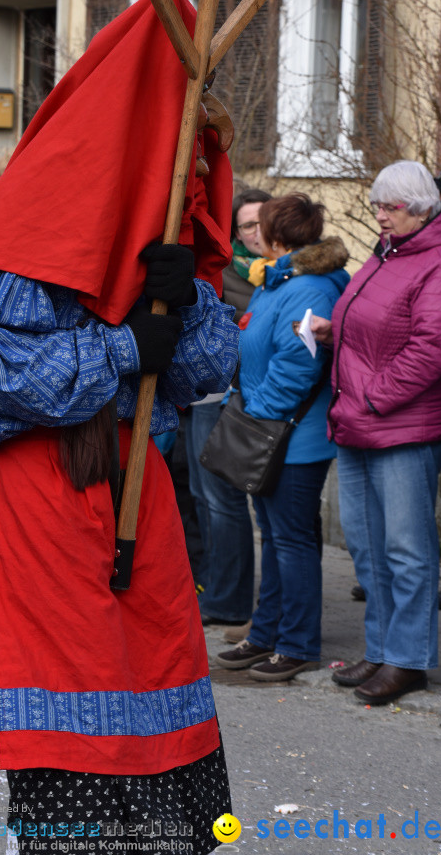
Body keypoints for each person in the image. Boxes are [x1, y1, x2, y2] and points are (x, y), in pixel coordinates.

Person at [0, 0, 239, 852]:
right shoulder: (15, 236)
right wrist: (123, 350)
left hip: (142, 498)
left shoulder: (159, 231)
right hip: (46, 499)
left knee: (165, 680)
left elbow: (209, 373)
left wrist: (190, 306)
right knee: (77, 711)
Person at [311, 161, 441, 705]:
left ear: (419, 208)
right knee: (367, 548)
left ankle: (408, 660)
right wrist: (331, 330)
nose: (379, 216)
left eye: (389, 208)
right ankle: (381, 648)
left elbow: (432, 347)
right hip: (357, 423)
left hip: (401, 428)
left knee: (407, 549)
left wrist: (372, 396)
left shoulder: (436, 261)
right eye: (377, 207)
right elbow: (371, 327)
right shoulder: (386, 253)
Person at [217, 193, 349, 682]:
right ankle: (266, 632)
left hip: (292, 435)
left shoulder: (309, 287)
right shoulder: (281, 278)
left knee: (291, 540)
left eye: (260, 227)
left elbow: (297, 365)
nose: (251, 235)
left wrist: (257, 417)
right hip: (272, 428)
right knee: (273, 536)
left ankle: (297, 644)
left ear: (277, 236)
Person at [185, 187, 271, 630]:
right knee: (206, 497)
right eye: (247, 226)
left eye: (262, 223)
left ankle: (230, 599)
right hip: (207, 396)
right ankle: (217, 590)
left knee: (226, 501)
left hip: (243, 398)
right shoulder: (226, 268)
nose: (256, 234)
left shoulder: (278, 274)